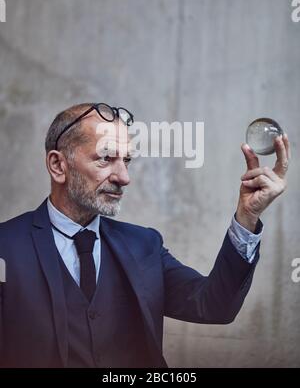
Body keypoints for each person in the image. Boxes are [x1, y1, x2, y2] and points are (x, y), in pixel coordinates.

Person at [0, 103, 290, 368]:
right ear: (58, 165)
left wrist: (247, 217)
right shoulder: (6, 246)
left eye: (126, 160)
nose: (124, 177)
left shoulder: (144, 245)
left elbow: (214, 306)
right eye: (106, 159)